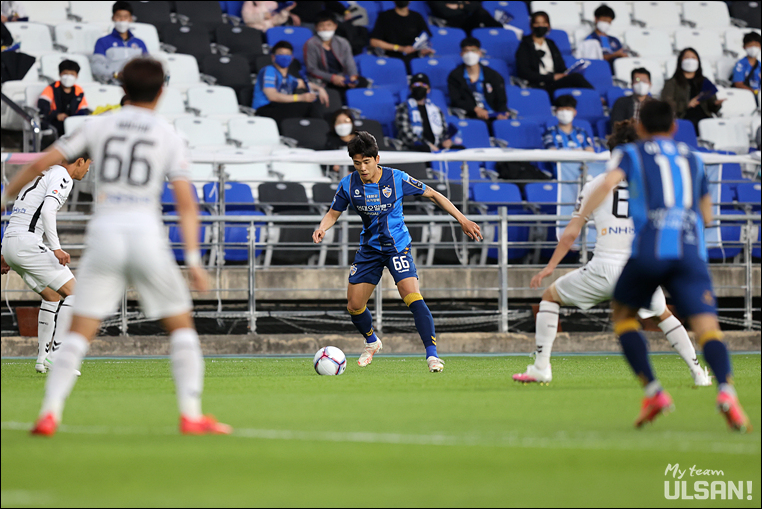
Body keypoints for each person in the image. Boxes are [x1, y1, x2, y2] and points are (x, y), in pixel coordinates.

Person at [1, 57, 231, 437]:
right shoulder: (168, 134)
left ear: (122, 89)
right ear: (161, 92)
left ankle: (49, 413)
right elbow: (186, 202)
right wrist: (193, 259)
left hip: (105, 235)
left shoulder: (99, 125)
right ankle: (191, 414)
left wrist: (5, 198)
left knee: (79, 331)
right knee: (181, 327)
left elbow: (39, 163)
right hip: (145, 234)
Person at [576, 99, 751, 431]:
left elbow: (607, 184)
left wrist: (580, 218)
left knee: (624, 316)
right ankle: (727, 392)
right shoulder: (693, 158)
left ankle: (654, 391)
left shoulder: (631, 154)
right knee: (707, 327)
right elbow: (707, 216)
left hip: (648, 251)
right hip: (689, 253)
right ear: (674, 127)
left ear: (640, 127)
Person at [515, 118, 711, 386]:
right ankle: (698, 373)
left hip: (603, 268)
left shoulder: (596, 185)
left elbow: (571, 234)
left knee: (550, 297)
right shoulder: (654, 186)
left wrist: (550, 267)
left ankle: (541, 367)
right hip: (639, 268)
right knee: (664, 314)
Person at [312, 131, 483, 372]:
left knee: (411, 295)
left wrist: (462, 219)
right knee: (354, 305)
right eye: (357, 163)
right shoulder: (348, 184)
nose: (362, 168)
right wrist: (322, 227)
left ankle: (432, 356)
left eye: (366, 162)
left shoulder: (397, 179)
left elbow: (433, 194)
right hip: (369, 250)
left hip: (397, 248)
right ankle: (371, 341)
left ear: (377, 159)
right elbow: (333, 213)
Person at [0, 156, 91, 375]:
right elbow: (47, 211)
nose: (88, 171)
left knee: (52, 295)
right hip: (27, 243)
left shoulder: (43, 173)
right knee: (76, 293)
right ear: (80, 161)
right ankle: (57, 356)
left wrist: (5, 252)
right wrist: (56, 248)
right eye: (89, 165)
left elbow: (20, 210)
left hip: (11, 242)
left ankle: (42, 358)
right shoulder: (62, 176)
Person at [253, 40, 329, 126]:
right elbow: (272, 96)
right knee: (307, 107)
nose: (284, 57)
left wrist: (320, 89)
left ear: (292, 58)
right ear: (273, 57)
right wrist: (300, 97)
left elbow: (304, 84)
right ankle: (321, 128)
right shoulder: (269, 70)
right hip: (265, 109)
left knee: (313, 105)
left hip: (282, 108)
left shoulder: (289, 78)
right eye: (281, 54)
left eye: (287, 54)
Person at [515, 11, 594, 95]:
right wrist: (551, 77)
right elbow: (524, 72)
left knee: (575, 79)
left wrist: (566, 74)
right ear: (532, 25)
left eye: (544, 23)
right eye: (537, 23)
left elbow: (561, 66)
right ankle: (598, 98)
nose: (541, 26)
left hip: (554, 83)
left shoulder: (550, 44)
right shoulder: (525, 46)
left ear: (548, 25)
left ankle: (594, 97)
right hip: (539, 84)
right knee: (576, 78)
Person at [304, 11, 368, 100]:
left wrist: (352, 76)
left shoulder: (343, 42)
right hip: (324, 80)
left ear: (335, 26)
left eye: (329, 25)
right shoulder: (311, 44)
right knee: (336, 92)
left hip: (342, 78)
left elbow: (350, 62)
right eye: (321, 25)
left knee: (362, 82)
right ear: (316, 28)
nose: (325, 28)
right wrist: (332, 78)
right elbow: (312, 69)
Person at [448, 37, 510, 125]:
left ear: (480, 53)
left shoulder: (493, 75)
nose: (470, 54)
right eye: (466, 51)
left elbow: (501, 99)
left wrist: (502, 112)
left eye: (473, 50)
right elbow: (456, 100)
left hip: (494, 115)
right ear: (461, 54)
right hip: (472, 116)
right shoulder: (455, 76)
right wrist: (475, 109)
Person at [661, 48, 723, 134]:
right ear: (680, 61)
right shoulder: (671, 82)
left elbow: (712, 107)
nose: (690, 61)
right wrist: (687, 105)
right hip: (683, 119)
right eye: (686, 58)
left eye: (693, 58)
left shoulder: (705, 81)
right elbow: (667, 105)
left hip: (705, 119)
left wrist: (716, 104)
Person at [395, 73, 454, 152]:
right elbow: (406, 135)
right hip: (416, 149)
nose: (420, 87)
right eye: (416, 84)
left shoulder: (436, 109)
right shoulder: (404, 108)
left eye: (424, 84)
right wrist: (427, 145)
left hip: (436, 148)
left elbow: (443, 131)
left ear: (428, 89)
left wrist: (445, 141)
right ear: (411, 88)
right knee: (424, 148)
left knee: (460, 148)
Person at [92, 1, 148, 83]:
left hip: (136, 85)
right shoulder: (102, 41)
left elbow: (148, 66)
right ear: (113, 18)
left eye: (126, 17)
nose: (122, 20)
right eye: (119, 16)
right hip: (113, 84)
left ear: (131, 19)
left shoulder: (139, 43)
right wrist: (115, 74)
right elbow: (96, 67)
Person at [369, 1, 434, 73]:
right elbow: (374, 42)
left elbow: (425, 37)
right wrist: (400, 48)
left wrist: (423, 50)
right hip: (393, 58)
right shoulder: (385, 16)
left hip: (415, 58)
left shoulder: (417, 17)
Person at [37, 60, 91, 137]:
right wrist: (56, 115)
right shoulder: (51, 88)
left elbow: (83, 109)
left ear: (76, 76)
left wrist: (74, 118)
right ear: (60, 74)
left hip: (72, 123)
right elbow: (43, 107)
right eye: (65, 74)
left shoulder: (78, 90)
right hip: (54, 122)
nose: (68, 77)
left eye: (72, 74)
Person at [427, 1, 502, 35]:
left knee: (481, 12)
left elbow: (477, 6)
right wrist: (465, 7)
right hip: (451, 23)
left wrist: (459, 6)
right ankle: (499, 27)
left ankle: (500, 29)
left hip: (468, 21)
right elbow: (445, 13)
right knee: (480, 14)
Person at [732, 32, 761, 103]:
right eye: (750, 45)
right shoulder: (740, 64)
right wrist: (754, 92)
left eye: (756, 45)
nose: (753, 48)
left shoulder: (759, 65)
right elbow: (738, 84)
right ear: (744, 47)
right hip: (745, 97)